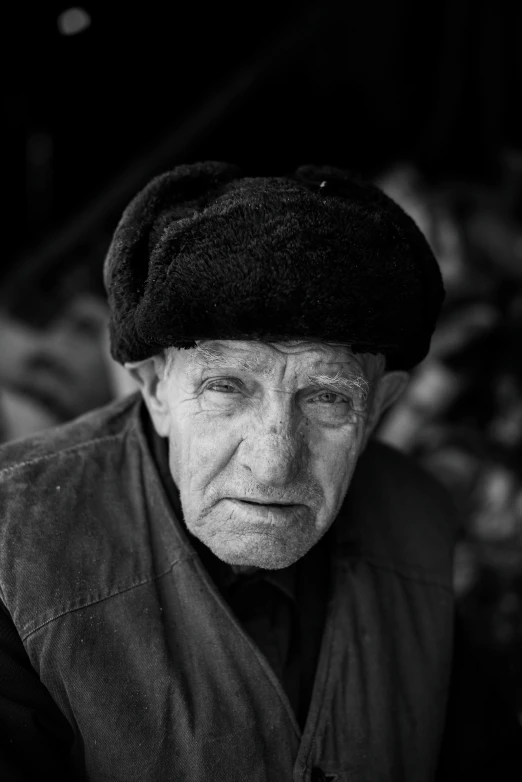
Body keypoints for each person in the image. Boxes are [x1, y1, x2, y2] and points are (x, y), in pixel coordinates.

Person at [0, 162, 457, 782]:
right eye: (225, 388)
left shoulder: (419, 519)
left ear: (379, 407)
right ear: (155, 389)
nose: (272, 464)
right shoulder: (12, 540)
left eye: (326, 398)